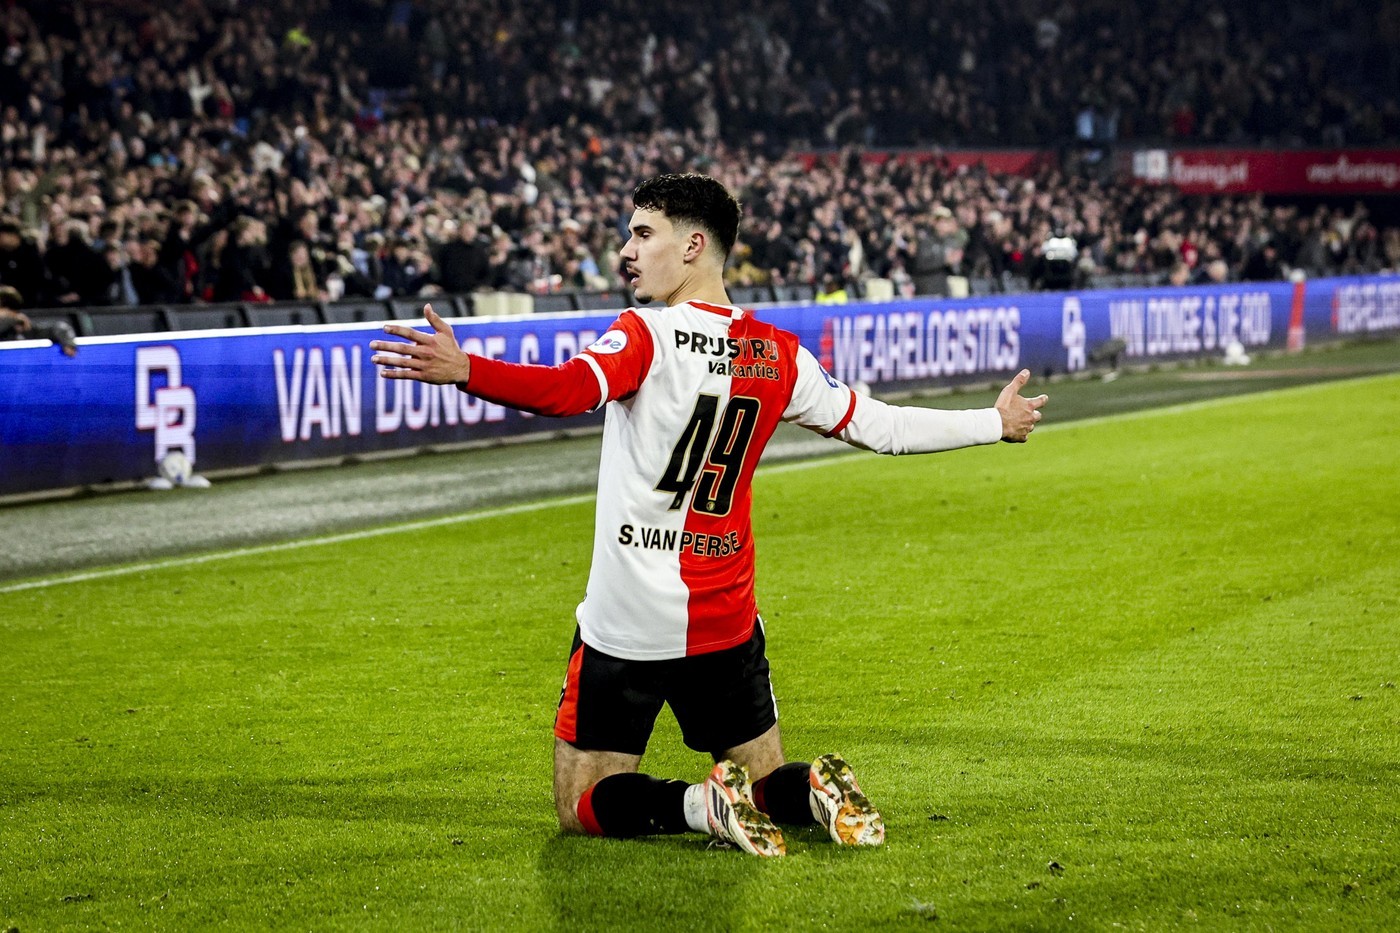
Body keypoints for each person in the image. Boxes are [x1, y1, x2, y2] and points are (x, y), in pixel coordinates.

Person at [369, 173, 1046, 858]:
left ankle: (698, 804)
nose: (627, 251)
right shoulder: (778, 353)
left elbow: (569, 389)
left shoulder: (645, 335)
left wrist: (468, 369)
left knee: (580, 805)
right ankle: (810, 785)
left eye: (643, 234)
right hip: (726, 615)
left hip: (630, 620)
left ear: (692, 246)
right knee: (763, 783)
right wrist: (992, 422)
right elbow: (883, 427)